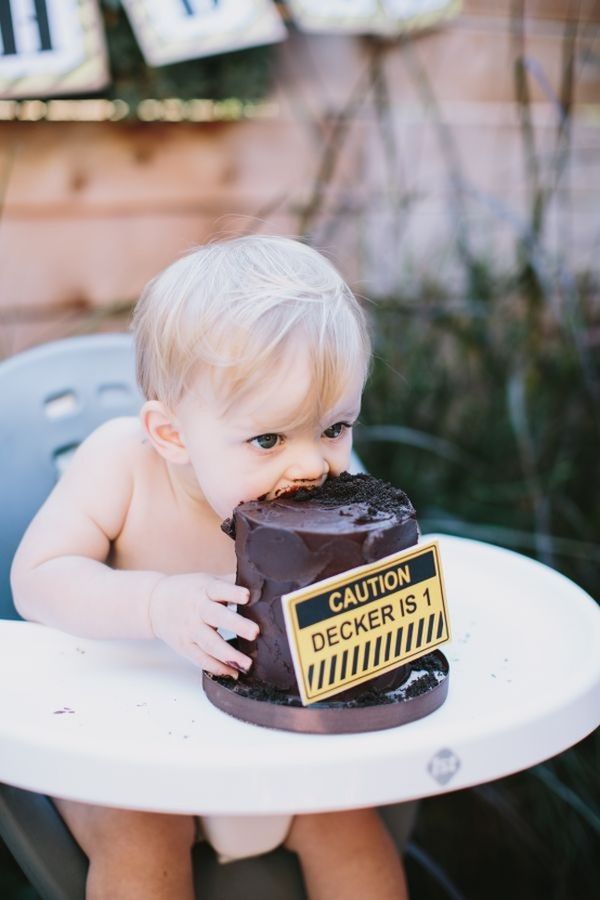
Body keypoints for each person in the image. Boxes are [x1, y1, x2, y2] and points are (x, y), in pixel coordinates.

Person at [11, 235, 409, 900]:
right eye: (268, 439)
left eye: (334, 429)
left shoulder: (332, 506)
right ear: (172, 435)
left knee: (351, 832)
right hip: (128, 741)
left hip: (274, 737)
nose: (313, 466)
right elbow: (37, 578)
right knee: (140, 844)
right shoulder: (121, 467)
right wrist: (153, 603)